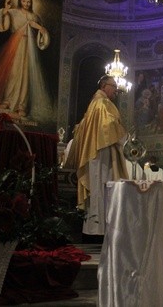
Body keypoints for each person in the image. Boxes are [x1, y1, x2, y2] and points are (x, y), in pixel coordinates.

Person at [64, 76, 128, 240]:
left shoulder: (93, 103)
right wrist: (123, 134)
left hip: (93, 151)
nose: (116, 90)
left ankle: (92, 228)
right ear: (104, 85)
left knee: (97, 189)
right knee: (102, 188)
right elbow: (109, 127)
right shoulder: (103, 103)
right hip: (101, 151)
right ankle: (99, 231)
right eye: (113, 86)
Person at [0, 0, 52, 120]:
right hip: (16, 45)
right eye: (24, 1)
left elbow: (41, 32)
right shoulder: (13, 12)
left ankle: (21, 105)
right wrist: (6, 10)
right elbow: (4, 27)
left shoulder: (33, 16)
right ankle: (8, 100)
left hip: (29, 47)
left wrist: (42, 30)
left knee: (26, 75)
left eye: (28, 2)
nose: (26, 4)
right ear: (20, 1)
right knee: (13, 72)